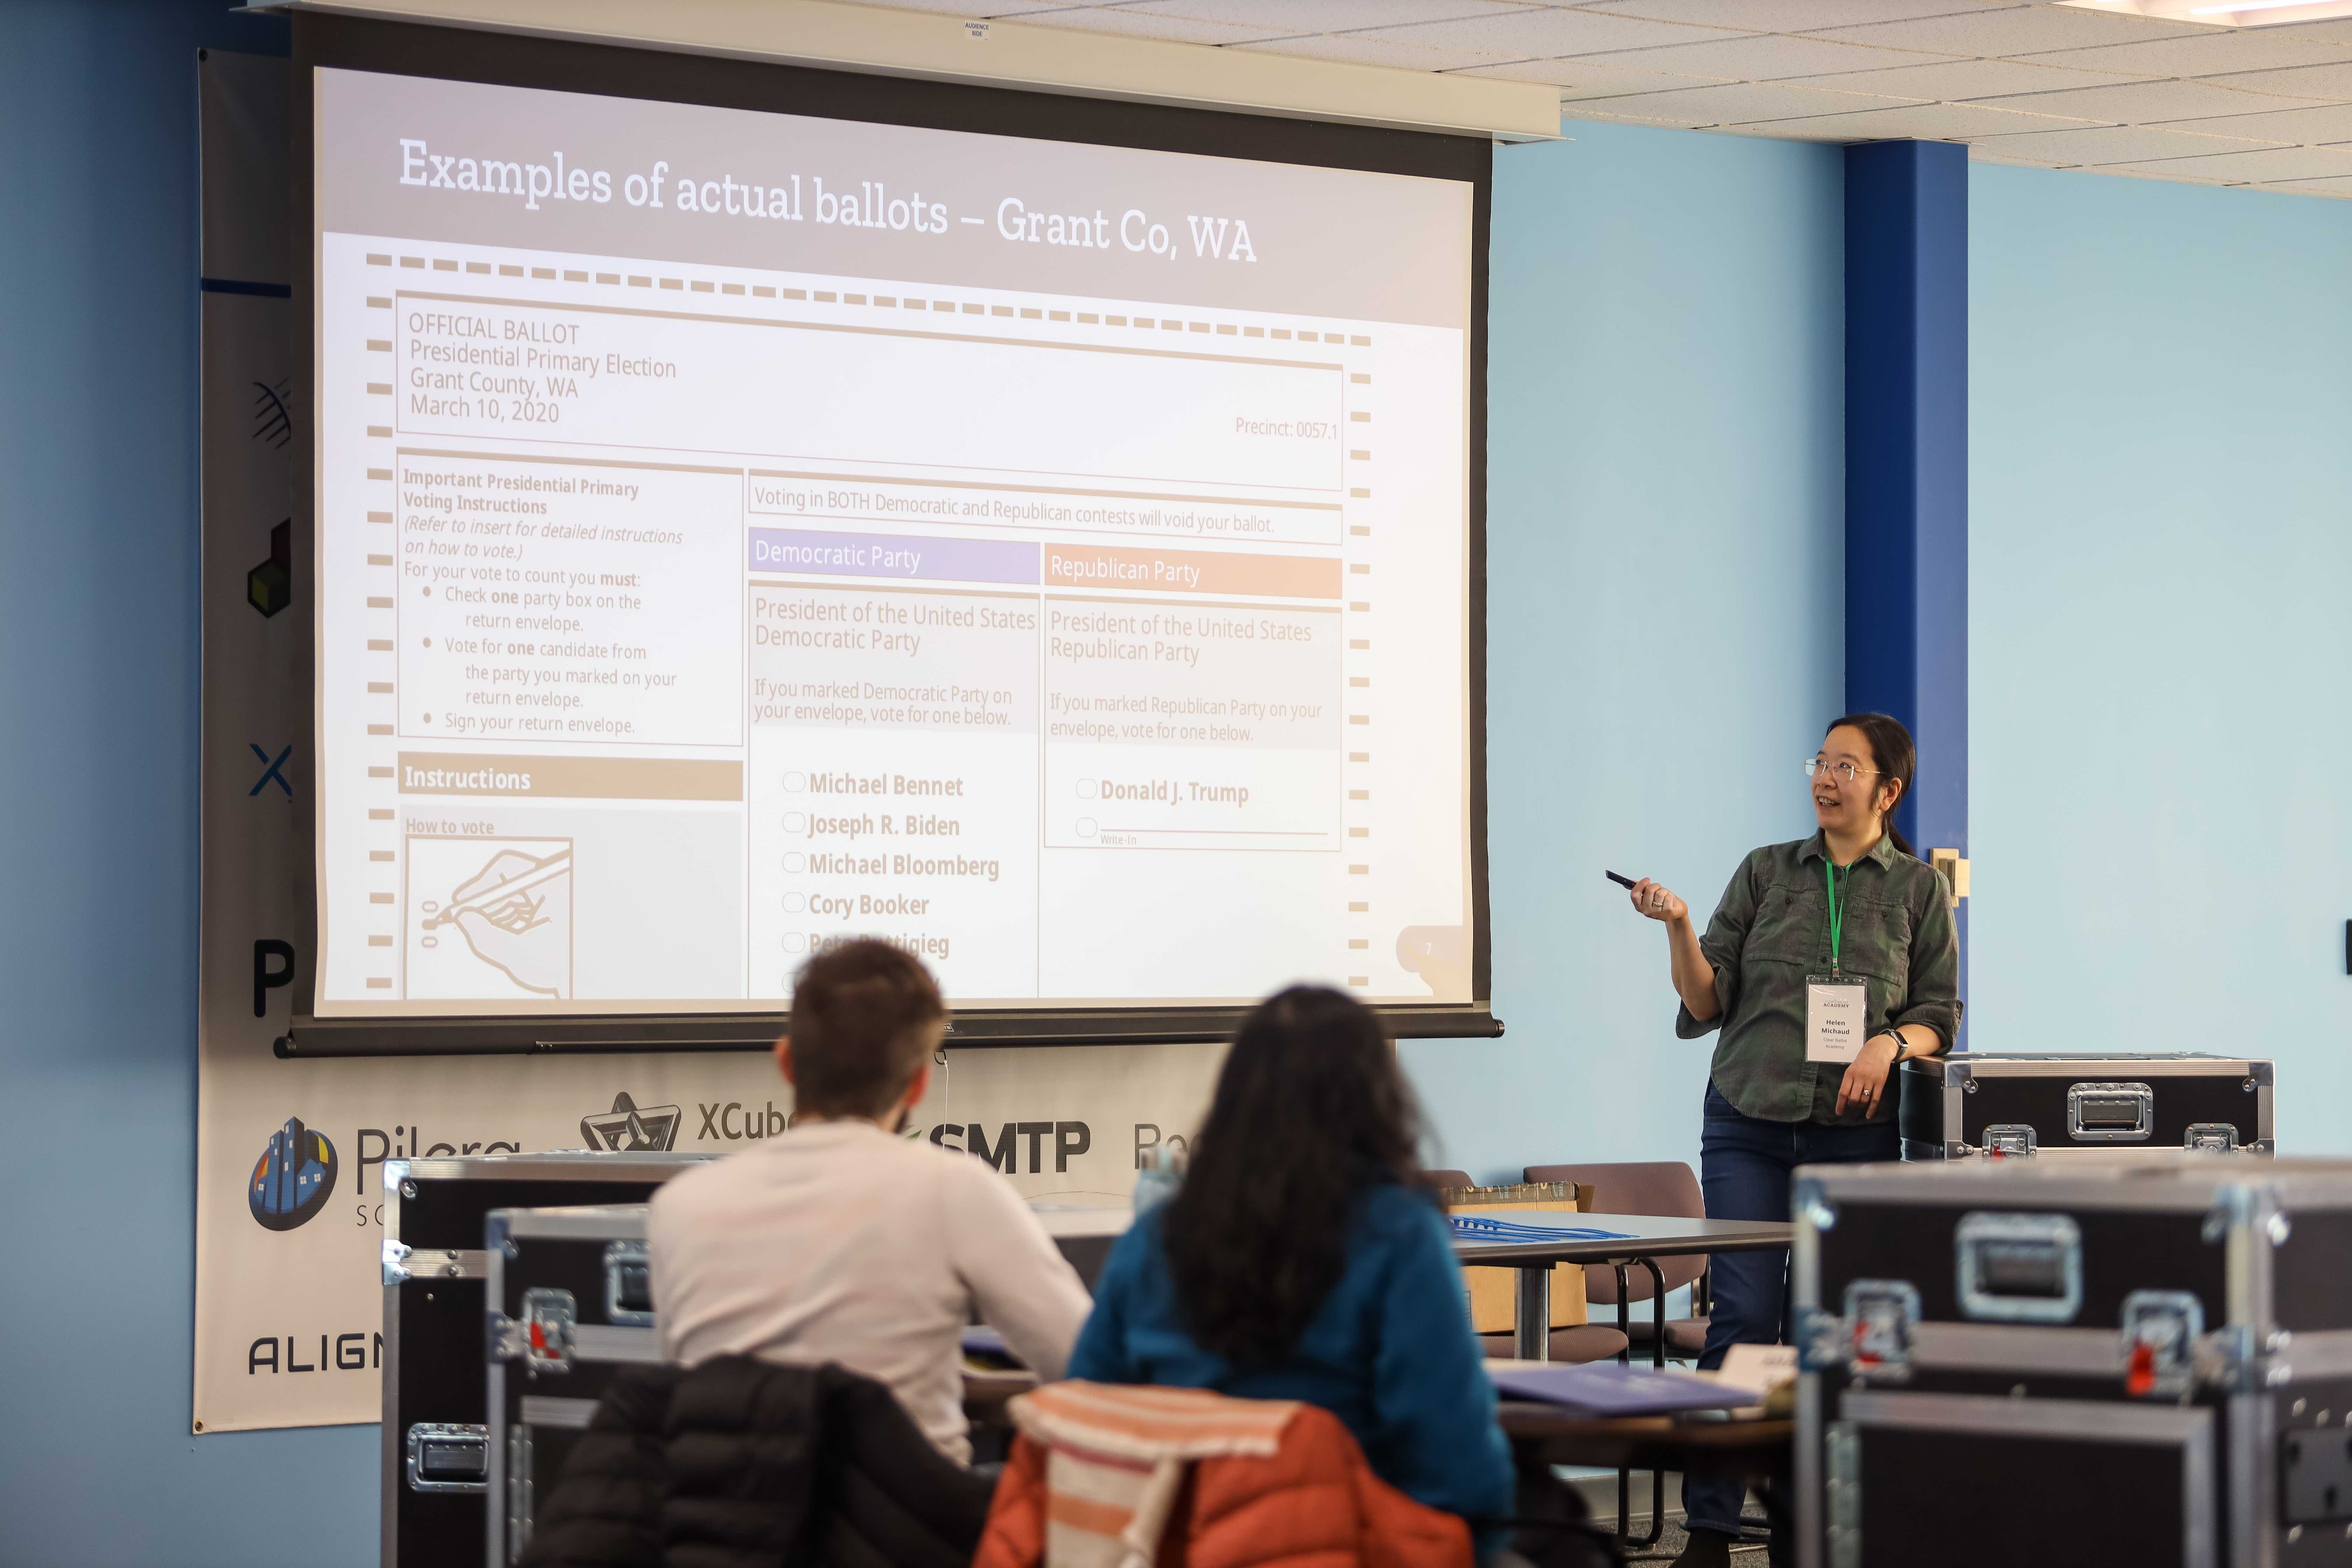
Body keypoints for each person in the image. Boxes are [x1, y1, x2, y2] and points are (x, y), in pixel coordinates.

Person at [1623, 712, 1960, 1567]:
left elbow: (1939, 1013)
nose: (1826, 778)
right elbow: (1706, 999)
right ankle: (1709, 1529)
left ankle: (1804, 1528)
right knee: (1741, 1315)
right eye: (1822, 761)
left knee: (1825, 1330)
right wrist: (1678, 925)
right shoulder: (1765, 871)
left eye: (1847, 766)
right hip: (1748, 1120)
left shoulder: (1920, 891)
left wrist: (1889, 1042)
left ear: (1888, 790)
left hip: (1856, 1138)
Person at [1066, 985, 1516, 1543]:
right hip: (1344, 1547)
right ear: (1378, 1102)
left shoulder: (1157, 1236)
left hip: (1176, 1546)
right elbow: (1461, 1471)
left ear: (1231, 1101)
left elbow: (1086, 1418)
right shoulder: (1399, 1237)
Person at [646, 938, 1092, 1465]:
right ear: (919, 1083)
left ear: (786, 1062)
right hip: (909, 1515)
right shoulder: (953, 1190)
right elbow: (1087, 1362)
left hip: (723, 1513)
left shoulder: (678, 1206)